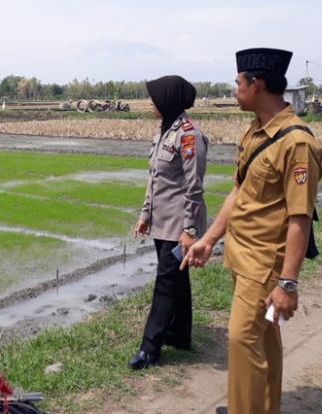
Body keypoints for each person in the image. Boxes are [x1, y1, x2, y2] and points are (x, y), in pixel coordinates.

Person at [182, 48, 322, 414]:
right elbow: (239, 192)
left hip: (265, 265)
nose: (234, 90)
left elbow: (300, 218)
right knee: (264, 337)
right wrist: (209, 240)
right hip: (242, 256)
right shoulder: (256, 131)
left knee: (242, 339)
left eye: (238, 83)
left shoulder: (297, 143)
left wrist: (287, 283)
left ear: (256, 85)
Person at [129, 75, 208, 370]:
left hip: (179, 225)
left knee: (165, 282)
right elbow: (155, 180)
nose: (151, 103)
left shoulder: (189, 136)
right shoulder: (164, 132)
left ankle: (150, 348)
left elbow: (194, 187)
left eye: (155, 98)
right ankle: (179, 334)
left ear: (169, 100)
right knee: (177, 277)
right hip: (162, 221)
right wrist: (145, 214)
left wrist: (189, 230)